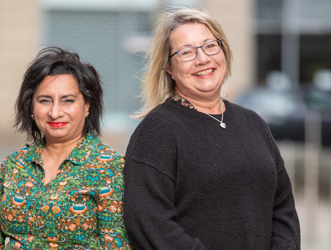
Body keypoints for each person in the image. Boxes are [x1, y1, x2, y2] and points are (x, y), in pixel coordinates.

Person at [123, 8, 300, 250]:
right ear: (169, 68)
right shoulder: (156, 132)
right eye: (186, 52)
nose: (203, 59)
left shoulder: (254, 123)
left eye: (210, 46)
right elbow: (149, 222)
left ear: (223, 50)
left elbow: (283, 207)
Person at [0, 47, 131, 249]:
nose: (55, 113)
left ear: (87, 106)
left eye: (68, 101)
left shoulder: (111, 168)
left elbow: (117, 245)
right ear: (31, 106)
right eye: (45, 101)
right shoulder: (13, 165)